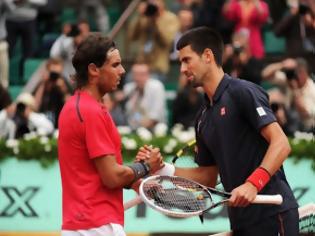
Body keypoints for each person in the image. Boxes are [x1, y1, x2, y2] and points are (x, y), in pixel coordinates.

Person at [141, 27, 299, 235]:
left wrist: (252, 184)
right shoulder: (202, 118)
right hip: (241, 222)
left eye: (187, 60)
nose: (182, 68)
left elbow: (281, 143)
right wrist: (162, 169)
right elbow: (207, 177)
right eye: (180, 62)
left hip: (273, 212)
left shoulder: (243, 92)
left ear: (207, 56)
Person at [57, 33, 163, 236]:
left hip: (85, 225)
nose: (122, 71)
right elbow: (112, 177)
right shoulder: (90, 111)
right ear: (93, 70)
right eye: (115, 65)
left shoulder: (79, 106)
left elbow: (98, 172)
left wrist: (137, 179)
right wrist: (147, 166)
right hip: (96, 227)